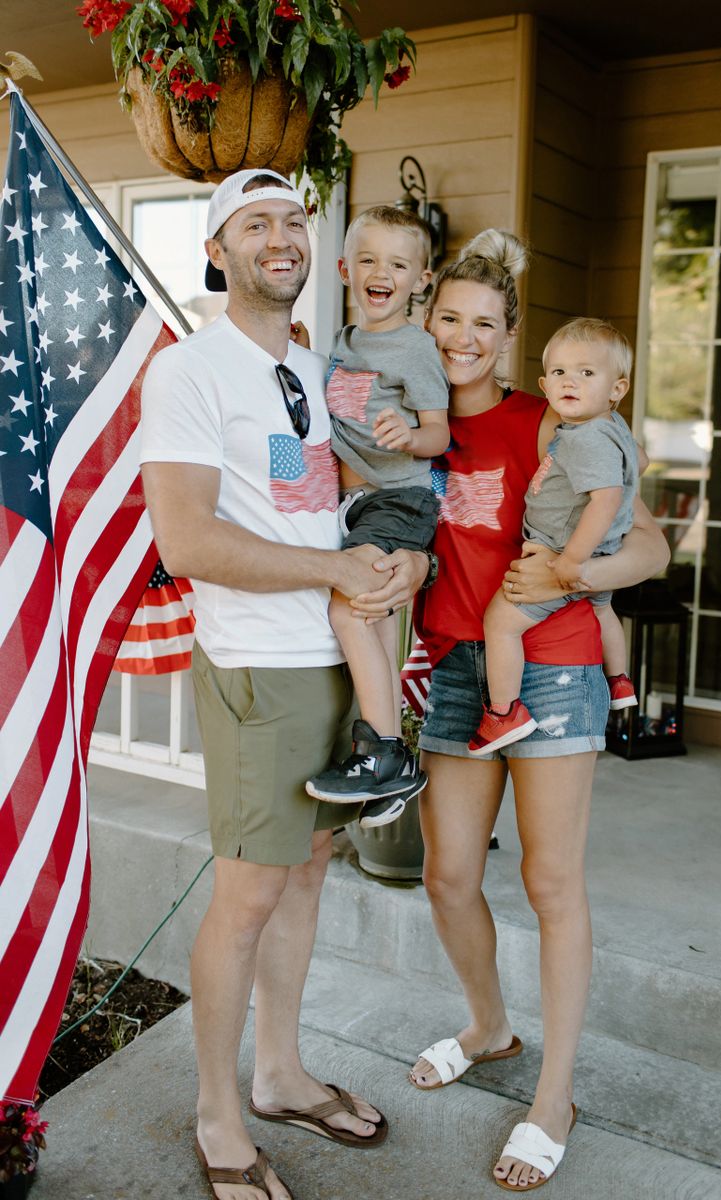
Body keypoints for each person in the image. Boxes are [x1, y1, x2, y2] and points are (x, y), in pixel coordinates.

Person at [139, 169, 429, 1200]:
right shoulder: (190, 372)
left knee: (308, 873)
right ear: (216, 250)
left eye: (293, 219)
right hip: (260, 666)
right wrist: (331, 572)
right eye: (253, 222)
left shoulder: (311, 368)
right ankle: (220, 1115)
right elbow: (186, 539)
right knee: (249, 891)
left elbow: (333, 496)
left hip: (333, 655)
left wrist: (397, 562)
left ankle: (278, 1071)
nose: (280, 236)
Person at [405, 230, 669, 1191]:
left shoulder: (551, 417)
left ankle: (553, 1093)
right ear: (425, 320)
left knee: (552, 884)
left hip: (550, 662)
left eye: (485, 325)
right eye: (449, 320)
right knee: (446, 875)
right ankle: (490, 1026)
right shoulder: (406, 423)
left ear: (509, 337)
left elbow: (653, 548)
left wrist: (575, 573)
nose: (463, 340)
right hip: (456, 665)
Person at [304, 206, 450, 828]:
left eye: (397, 262)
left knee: (350, 607)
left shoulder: (414, 348)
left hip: (401, 496)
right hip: (356, 501)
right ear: (343, 269)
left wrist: (408, 434)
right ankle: (391, 762)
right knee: (367, 617)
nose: (380, 271)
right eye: (367, 259)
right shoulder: (344, 342)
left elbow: (440, 435)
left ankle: (384, 754)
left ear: (421, 278)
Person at [469, 316, 640, 757]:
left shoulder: (586, 437)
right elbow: (638, 462)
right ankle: (619, 679)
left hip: (563, 553)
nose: (572, 382)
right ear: (544, 384)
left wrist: (570, 562)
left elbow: (603, 500)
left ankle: (504, 713)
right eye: (561, 372)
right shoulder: (611, 428)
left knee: (501, 623)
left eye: (587, 373)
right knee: (604, 611)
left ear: (616, 389)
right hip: (599, 550)